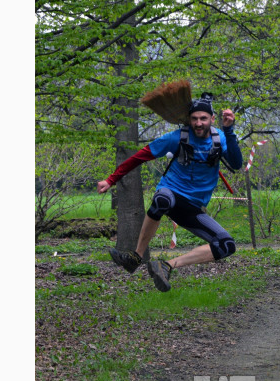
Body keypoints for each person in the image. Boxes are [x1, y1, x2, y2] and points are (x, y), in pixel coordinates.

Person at [97, 93, 243, 292]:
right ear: (188, 119)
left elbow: (236, 164)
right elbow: (140, 157)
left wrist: (229, 130)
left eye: (203, 118)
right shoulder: (177, 137)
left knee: (227, 245)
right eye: (194, 119)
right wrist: (111, 179)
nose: (198, 123)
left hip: (192, 208)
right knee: (162, 200)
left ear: (212, 119)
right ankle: (135, 257)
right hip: (171, 193)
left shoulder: (221, 139)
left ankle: (166, 266)